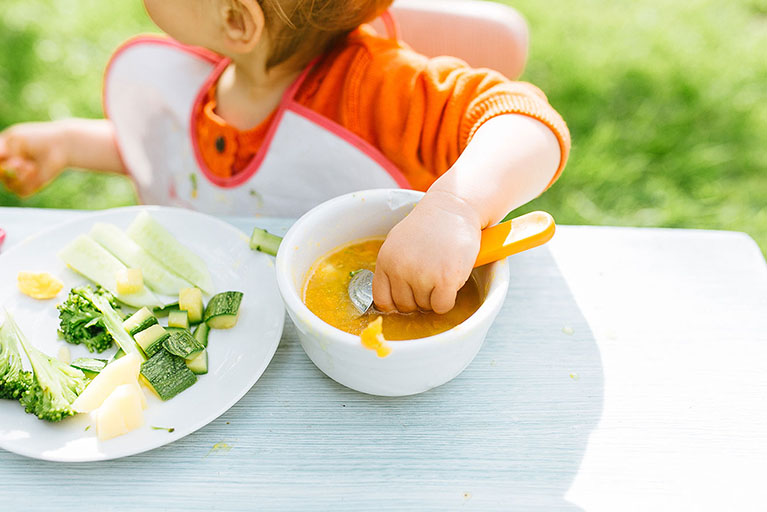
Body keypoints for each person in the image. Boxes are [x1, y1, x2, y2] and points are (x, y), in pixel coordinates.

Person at [0, 0, 570, 315]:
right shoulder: (211, 67)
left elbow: (527, 119)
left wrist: (455, 207)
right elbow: (192, 163)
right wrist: (71, 144)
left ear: (236, 20)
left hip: (363, 356)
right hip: (223, 340)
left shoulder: (375, 90)